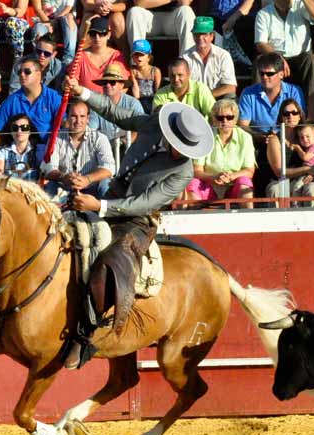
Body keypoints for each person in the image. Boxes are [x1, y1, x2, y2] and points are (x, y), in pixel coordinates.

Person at [62, 76, 214, 369]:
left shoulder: (182, 173)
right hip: (112, 194)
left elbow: (143, 203)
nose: (177, 149)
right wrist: (82, 92)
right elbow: (119, 114)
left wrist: (100, 206)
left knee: (112, 259)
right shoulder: (156, 124)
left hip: (137, 220)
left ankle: (90, 331)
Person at [254, 0, 314, 119]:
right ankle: (260, 117)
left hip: (301, 57)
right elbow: (260, 43)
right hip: (275, 58)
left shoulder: (301, 6)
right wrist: (277, 58)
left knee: (310, 60)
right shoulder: (263, 13)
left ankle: (311, 118)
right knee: (260, 63)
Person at [0, 58, 63, 162]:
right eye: (19, 72)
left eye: (27, 72)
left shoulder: (54, 97)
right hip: (20, 154)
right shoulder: (12, 100)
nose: (22, 75)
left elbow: (64, 125)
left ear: (38, 74)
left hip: (49, 153)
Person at [40, 99, 116, 199]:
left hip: (92, 187)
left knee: (106, 183)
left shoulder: (100, 138)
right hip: (64, 188)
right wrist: (63, 177)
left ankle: (104, 213)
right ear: (67, 118)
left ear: (88, 118)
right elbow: (48, 168)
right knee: (50, 185)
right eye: (73, 116)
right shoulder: (56, 138)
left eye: (82, 116)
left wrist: (87, 179)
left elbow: (109, 168)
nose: (78, 121)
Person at [188, 98, 255, 208]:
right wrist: (213, 178)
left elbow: (249, 171)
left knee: (244, 181)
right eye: (220, 117)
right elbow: (197, 170)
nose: (225, 121)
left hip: (234, 186)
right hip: (208, 185)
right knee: (193, 183)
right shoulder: (204, 136)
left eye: (229, 117)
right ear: (214, 120)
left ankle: (247, 220)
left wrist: (231, 176)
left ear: (235, 119)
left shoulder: (246, 138)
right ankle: (197, 220)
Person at [266, 99, 314, 204]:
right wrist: (308, 169)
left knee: (312, 188)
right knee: (275, 190)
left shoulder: (305, 137)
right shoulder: (274, 140)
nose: (291, 116)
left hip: (303, 181)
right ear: (281, 117)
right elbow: (279, 173)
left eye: (295, 113)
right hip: (280, 182)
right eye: (286, 113)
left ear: (300, 116)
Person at [238, 52, 306, 140]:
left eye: (269, 74)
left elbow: (299, 121)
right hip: (258, 141)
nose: (264, 77)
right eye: (262, 73)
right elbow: (243, 125)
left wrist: (277, 138)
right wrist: (261, 137)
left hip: (289, 140)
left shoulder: (294, 91)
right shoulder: (248, 93)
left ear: (281, 74)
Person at [182, 16, 237, 99]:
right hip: (193, 100)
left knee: (230, 96)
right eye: (197, 34)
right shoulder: (185, 58)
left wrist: (206, 97)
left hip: (217, 100)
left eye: (204, 34)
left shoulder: (223, 56)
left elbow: (230, 87)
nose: (200, 38)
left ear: (212, 36)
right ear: (193, 36)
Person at [89, 64, 145, 145]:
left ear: (122, 85)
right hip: (104, 150)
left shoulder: (133, 103)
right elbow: (91, 131)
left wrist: (122, 143)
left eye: (112, 82)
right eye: (105, 82)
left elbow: (141, 130)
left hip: (130, 150)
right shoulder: (96, 104)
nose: (108, 85)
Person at [77, 16, 130, 94]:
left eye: (102, 33)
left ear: (109, 34)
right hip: (85, 102)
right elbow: (72, 79)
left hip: (110, 103)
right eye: (93, 33)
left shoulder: (117, 56)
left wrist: (111, 101)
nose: (97, 37)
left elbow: (124, 85)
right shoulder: (81, 55)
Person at [126, 0, 196, 54]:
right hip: (148, 17)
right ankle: (136, 62)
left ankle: (187, 64)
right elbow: (139, 2)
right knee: (134, 12)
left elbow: (186, 3)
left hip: (172, 18)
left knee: (186, 11)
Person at [0, 114, 40, 181]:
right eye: (15, 128)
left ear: (30, 131)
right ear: (11, 132)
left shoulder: (39, 150)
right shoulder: (2, 151)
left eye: (24, 127)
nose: (19, 131)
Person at [31, 0, 77, 64]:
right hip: (44, 21)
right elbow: (38, 9)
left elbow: (68, 8)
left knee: (69, 18)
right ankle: (37, 58)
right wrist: (49, 23)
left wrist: (54, 22)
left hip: (62, 23)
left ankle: (68, 60)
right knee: (38, 28)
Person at [130, 39, 162, 115]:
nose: (139, 57)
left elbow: (158, 91)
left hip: (153, 100)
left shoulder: (155, 71)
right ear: (133, 57)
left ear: (149, 57)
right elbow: (135, 89)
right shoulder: (133, 70)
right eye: (136, 54)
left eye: (142, 55)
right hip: (138, 101)